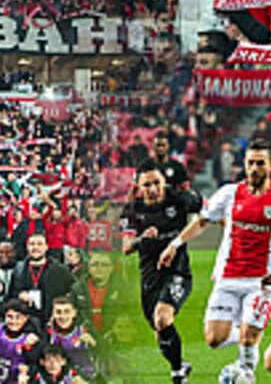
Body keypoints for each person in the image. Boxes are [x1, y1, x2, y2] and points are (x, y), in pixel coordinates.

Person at [159, 138, 271, 377]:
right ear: (244, 164)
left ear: (270, 165)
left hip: (262, 280)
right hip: (228, 276)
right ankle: (252, 333)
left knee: (247, 338)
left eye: (260, 163)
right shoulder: (229, 193)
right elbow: (202, 222)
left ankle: (247, 368)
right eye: (250, 163)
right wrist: (175, 244)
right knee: (214, 339)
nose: (254, 168)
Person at [120, 159, 200, 383]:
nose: (153, 188)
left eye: (157, 183)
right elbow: (126, 247)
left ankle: (177, 375)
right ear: (138, 187)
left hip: (177, 271)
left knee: (162, 317)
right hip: (150, 277)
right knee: (160, 330)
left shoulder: (180, 200)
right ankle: (179, 364)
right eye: (147, 185)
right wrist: (141, 240)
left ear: (164, 182)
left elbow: (207, 211)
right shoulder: (133, 210)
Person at [8, 233, 74, 324]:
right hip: (26, 322)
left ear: (46, 247)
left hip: (53, 321)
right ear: (27, 247)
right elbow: (10, 296)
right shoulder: (18, 270)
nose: (35, 247)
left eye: (39, 244)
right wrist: (19, 296)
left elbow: (72, 292)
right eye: (32, 244)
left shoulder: (60, 270)